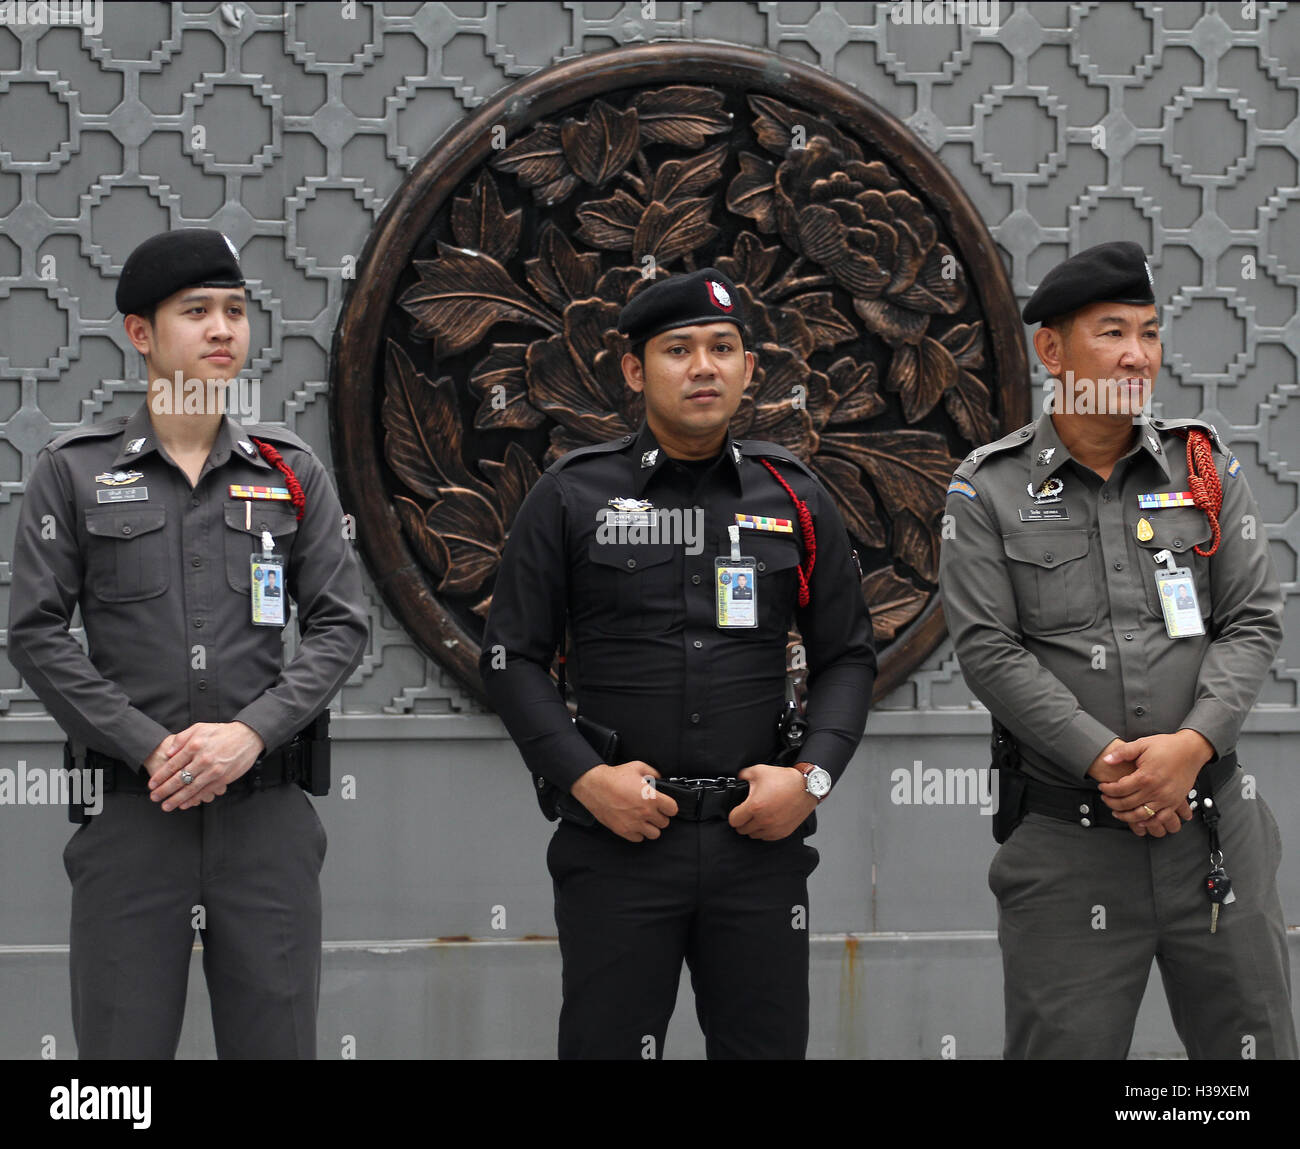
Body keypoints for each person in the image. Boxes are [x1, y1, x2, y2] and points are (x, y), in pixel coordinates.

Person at [480, 267, 876, 1059]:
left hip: (757, 843)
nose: (704, 366)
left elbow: (849, 658)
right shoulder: (572, 495)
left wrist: (811, 781)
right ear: (635, 370)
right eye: (679, 349)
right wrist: (587, 780)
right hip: (618, 843)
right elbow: (509, 658)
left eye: (723, 348)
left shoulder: (793, 495)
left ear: (748, 369)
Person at [7, 229, 369, 1059]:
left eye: (236, 312)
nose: (222, 330)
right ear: (141, 333)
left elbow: (342, 621)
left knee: (277, 1044)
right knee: (116, 1070)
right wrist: (152, 747)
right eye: (196, 311)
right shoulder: (77, 472)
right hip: (136, 820)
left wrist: (250, 734)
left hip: (266, 819)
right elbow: (35, 630)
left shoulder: (289, 472)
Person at [939, 241, 1296, 1060]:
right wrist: (1114, 764)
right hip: (1071, 847)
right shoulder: (988, 488)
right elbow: (990, 651)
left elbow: (1252, 620)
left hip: (1213, 830)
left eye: (1149, 330)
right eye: (1112, 332)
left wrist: (1191, 747)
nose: (1138, 353)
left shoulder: (1202, 466)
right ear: (1052, 350)